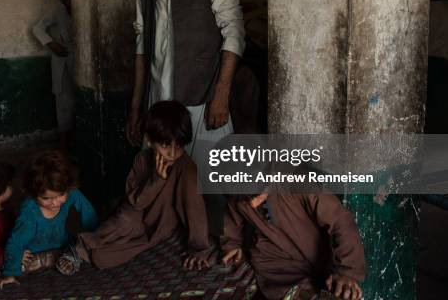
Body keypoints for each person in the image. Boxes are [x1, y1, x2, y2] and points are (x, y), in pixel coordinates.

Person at [122, 0, 245, 166]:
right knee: (162, 176)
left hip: (202, 101)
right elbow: (141, 54)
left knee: (209, 179)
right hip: (158, 105)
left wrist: (222, 92)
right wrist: (135, 109)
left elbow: (233, 32)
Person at [56, 100, 213, 275]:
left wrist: (200, 249)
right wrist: (157, 180)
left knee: (102, 258)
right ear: (149, 140)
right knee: (125, 220)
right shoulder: (142, 159)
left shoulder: (187, 169)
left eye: (179, 145)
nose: (173, 153)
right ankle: (80, 247)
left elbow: (195, 210)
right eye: (165, 145)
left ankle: (85, 250)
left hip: (161, 225)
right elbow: (136, 203)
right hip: (135, 216)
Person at [221, 193, 365, 300]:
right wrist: (232, 244)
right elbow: (232, 213)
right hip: (274, 263)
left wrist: (347, 272)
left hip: (318, 260)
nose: (253, 204)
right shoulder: (238, 190)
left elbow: (340, 221)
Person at [0, 149, 98, 288]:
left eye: (60, 196)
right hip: (34, 255)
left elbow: (88, 214)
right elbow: (16, 242)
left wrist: (95, 239)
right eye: (46, 198)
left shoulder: (71, 193)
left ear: (68, 188)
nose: (54, 203)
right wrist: (10, 273)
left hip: (62, 247)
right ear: (34, 193)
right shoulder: (29, 211)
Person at [32, 0, 75, 150]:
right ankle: (64, 147)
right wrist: (52, 44)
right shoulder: (57, 12)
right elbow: (37, 28)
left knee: (80, 104)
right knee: (64, 104)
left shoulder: (84, 9)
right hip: (63, 62)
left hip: (81, 64)